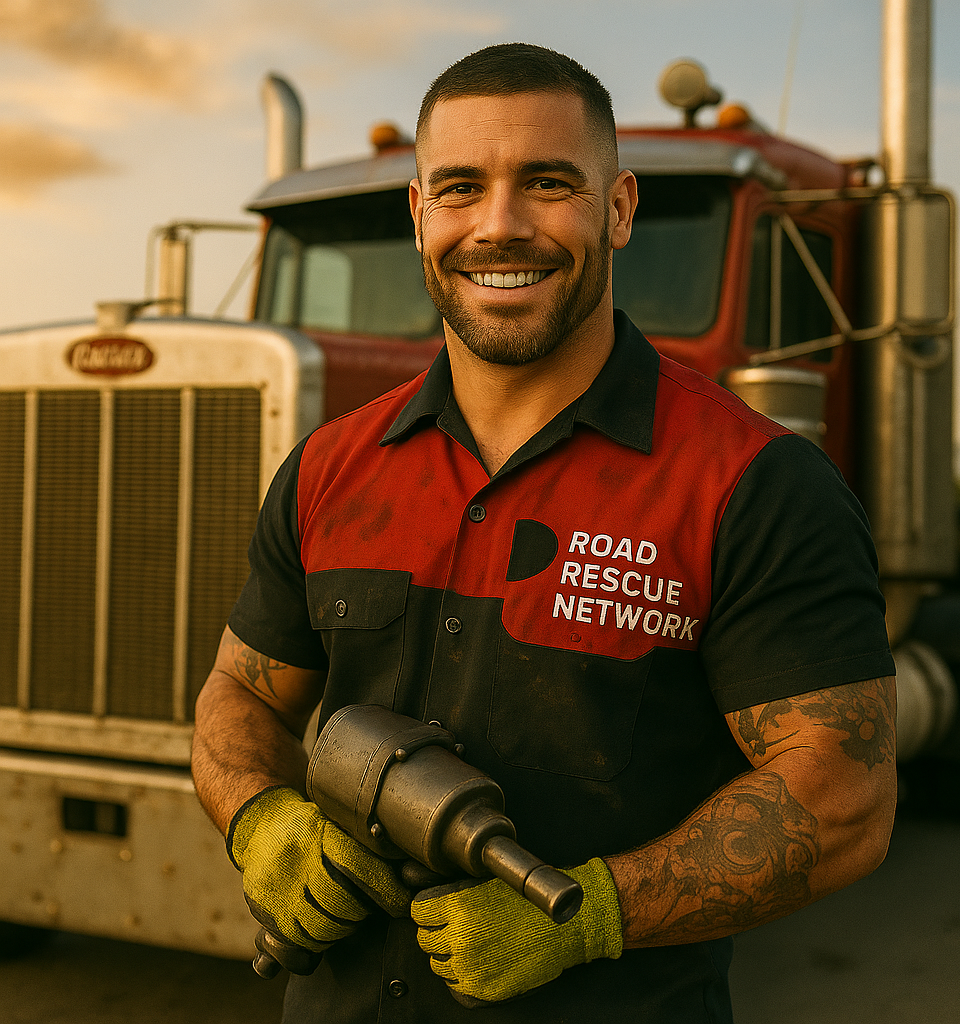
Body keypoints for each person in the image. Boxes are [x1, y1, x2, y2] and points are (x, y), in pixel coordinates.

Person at [191, 42, 897, 1024]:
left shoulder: (753, 484)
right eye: (460, 187)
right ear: (418, 214)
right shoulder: (328, 466)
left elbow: (843, 797)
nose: (499, 225)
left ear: (618, 209)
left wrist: (591, 914)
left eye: (549, 182)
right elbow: (239, 694)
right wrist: (259, 816)